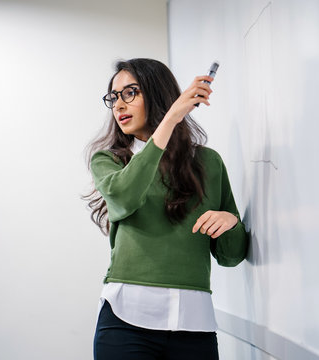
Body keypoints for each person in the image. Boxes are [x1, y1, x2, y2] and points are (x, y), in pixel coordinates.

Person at [85, 58, 249, 360]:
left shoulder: (208, 163)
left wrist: (231, 223)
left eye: (130, 92)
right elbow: (123, 195)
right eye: (114, 96)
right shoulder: (109, 161)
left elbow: (231, 256)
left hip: (194, 326)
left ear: (158, 93)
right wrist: (171, 119)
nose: (119, 105)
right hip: (126, 322)